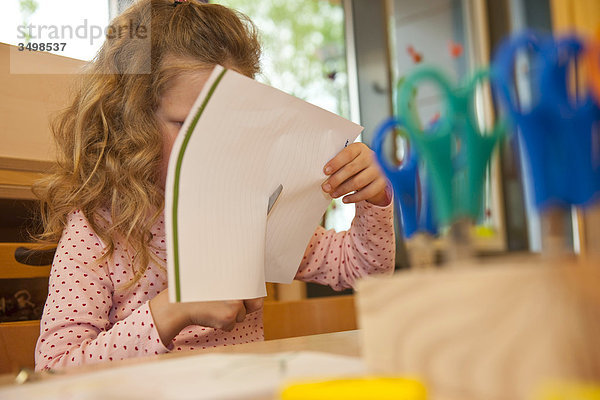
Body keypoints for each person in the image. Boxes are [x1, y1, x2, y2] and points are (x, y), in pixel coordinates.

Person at [34, 0, 395, 371]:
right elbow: (54, 370)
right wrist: (174, 308)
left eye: (229, 126)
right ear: (132, 122)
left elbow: (363, 269)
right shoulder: (99, 229)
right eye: (188, 126)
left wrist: (373, 198)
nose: (214, 147)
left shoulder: (251, 209)